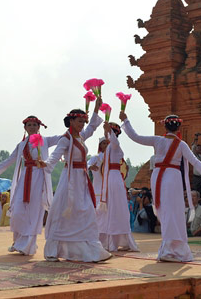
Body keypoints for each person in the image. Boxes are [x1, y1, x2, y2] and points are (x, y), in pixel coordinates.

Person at [120, 112, 201, 262]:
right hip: (172, 177)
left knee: (165, 212)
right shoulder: (181, 144)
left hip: (158, 177)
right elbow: (196, 163)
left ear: (164, 126)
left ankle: (169, 248)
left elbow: (136, 137)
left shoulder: (158, 140)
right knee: (174, 212)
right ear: (178, 127)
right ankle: (172, 248)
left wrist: (126, 121)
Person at [39, 97, 112, 263]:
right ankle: (53, 250)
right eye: (79, 121)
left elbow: (92, 127)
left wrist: (96, 108)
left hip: (82, 179)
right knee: (64, 211)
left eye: (83, 122)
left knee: (86, 211)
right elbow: (56, 155)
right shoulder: (66, 139)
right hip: (70, 179)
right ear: (71, 121)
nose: (82, 125)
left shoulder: (80, 137)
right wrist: (46, 163)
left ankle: (90, 249)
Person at [0, 115, 60, 255]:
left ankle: (27, 246)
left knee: (34, 211)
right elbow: (10, 159)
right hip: (25, 177)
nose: (32, 127)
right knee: (18, 210)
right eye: (29, 125)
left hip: (39, 177)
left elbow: (62, 138)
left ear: (39, 127)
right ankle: (18, 241)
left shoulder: (45, 140)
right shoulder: (21, 145)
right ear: (25, 128)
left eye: (34, 125)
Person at [96, 122, 139, 252]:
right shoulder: (109, 147)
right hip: (109, 178)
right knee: (108, 209)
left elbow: (113, 140)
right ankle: (107, 240)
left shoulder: (115, 145)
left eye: (109, 133)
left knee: (116, 208)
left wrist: (108, 131)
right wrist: (106, 130)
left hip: (114, 178)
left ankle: (115, 241)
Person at [88, 137, 109, 206]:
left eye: (107, 143)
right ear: (100, 145)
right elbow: (86, 164)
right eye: (104, 143)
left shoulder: (112, 159)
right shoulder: (95, 158)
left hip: (109, 190)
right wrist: (90, 167)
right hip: (97, 190)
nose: (106, 145)